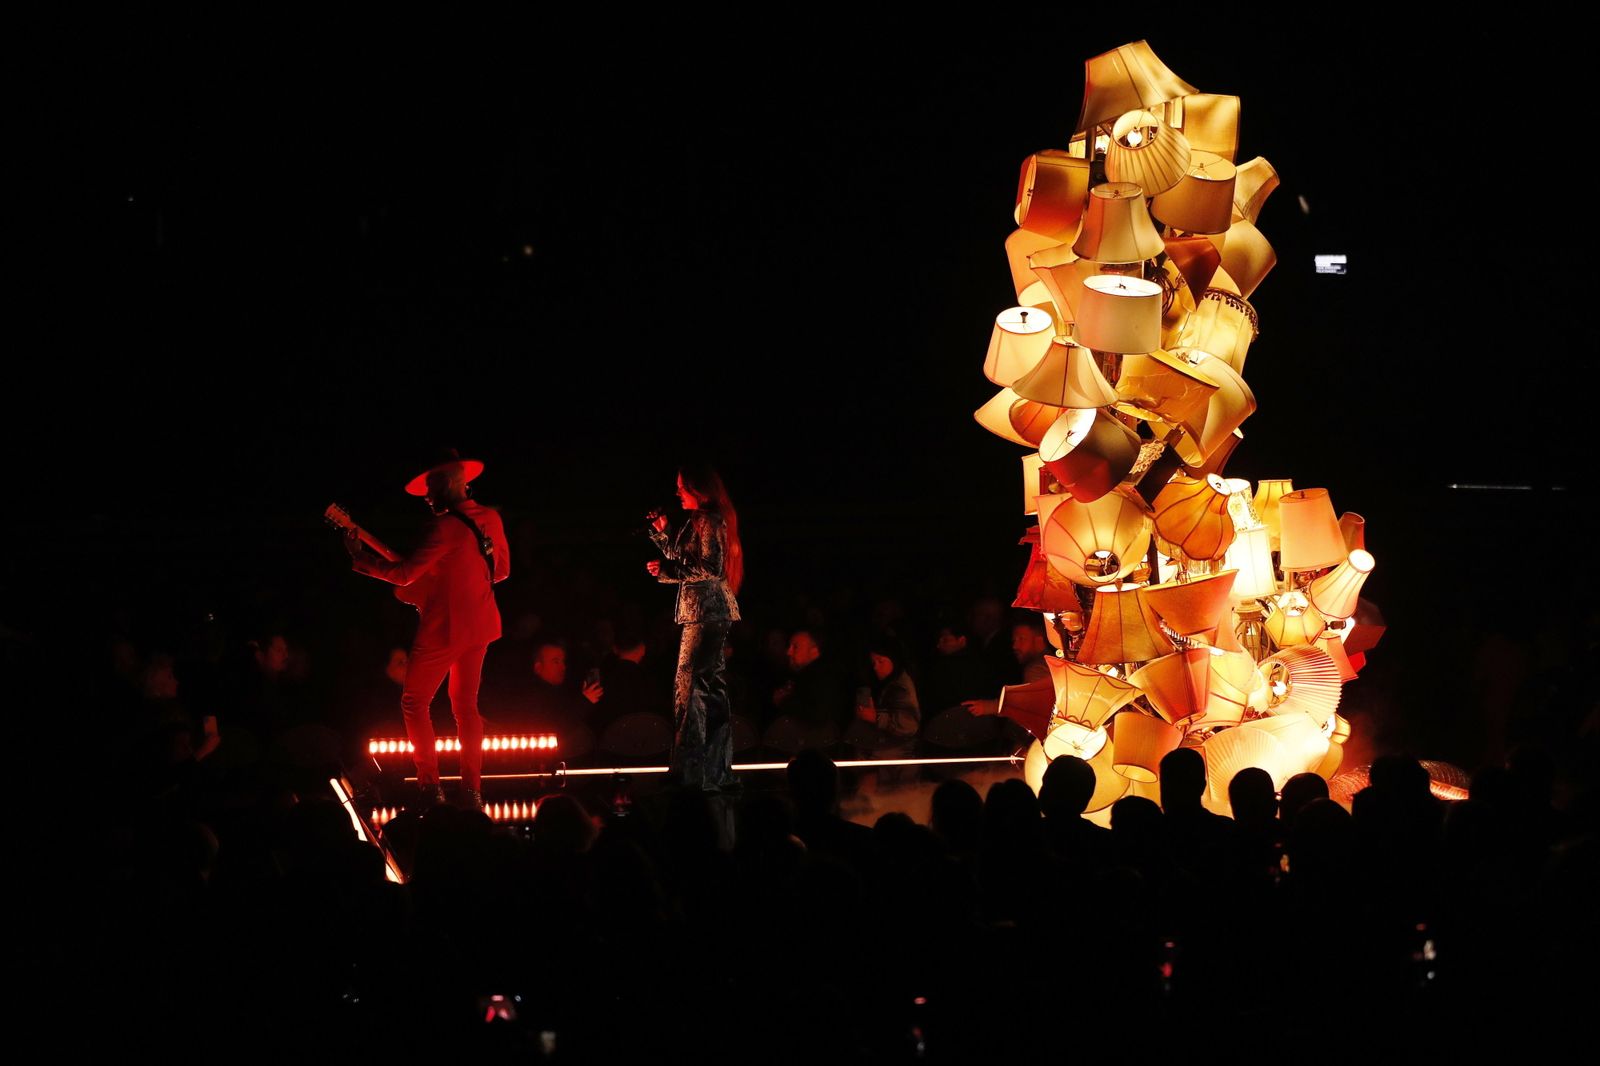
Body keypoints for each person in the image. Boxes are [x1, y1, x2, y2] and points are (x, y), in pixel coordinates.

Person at [345, 451, 509, 810]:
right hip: (481, 624)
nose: (427, 496)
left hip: (444, 628)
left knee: (414, 702)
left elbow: (404, 575)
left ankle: (429, 787)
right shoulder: (491, 519)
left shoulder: (443, 527)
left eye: (432, 487)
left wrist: (361, 559)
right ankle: (472, 791)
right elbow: (501, 571)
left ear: (451, 483)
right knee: (466, 706)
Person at [645, 463, 743, 792]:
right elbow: (684, 555)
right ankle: (712, 773)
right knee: (708, 692)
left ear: (698, 490)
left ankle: (692, 773)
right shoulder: (701, 522)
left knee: (690, 691)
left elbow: (709, 568)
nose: (677, 493)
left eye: (682, 488)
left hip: (705, 614)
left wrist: (667, 571)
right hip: (708, 613)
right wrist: (662, 532)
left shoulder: (707, 520)